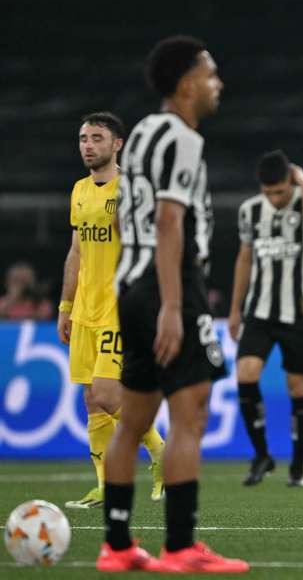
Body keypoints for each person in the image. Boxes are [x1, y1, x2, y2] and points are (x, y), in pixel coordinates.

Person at [96, 35, 247, 572]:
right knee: (192, 414)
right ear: (187, 84)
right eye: (210, 74)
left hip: (131, 283)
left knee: (134, 421)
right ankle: (181, 546)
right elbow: (167, 221)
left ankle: (115, 547)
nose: (217, 84)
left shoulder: (140, 133)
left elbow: (124, 215)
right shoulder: (182, 137)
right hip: (168, 287)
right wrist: (171, 304)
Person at [57, 112, 165, 510]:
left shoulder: (132, 190)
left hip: (121, 307)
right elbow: (77, 251)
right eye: (83, 138)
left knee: (106, 393)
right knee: (91, 400)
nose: (88, 145)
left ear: (117, 144)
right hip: (85, 307)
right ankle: (105, 487)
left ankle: (160, 452)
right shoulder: (79, 190)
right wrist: (66, 306)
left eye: (97, 138)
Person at [228, 149, 303, 488]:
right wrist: (234, 309)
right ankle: (261, 455)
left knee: (298, 387)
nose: (274, 198)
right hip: (258, 312)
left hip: (299, 315)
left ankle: (297, 467)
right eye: (268, 192)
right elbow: (244, 259)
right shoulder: (250, 211)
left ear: (291, 181)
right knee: (246, 374)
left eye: (280, 191)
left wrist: (302, 181)